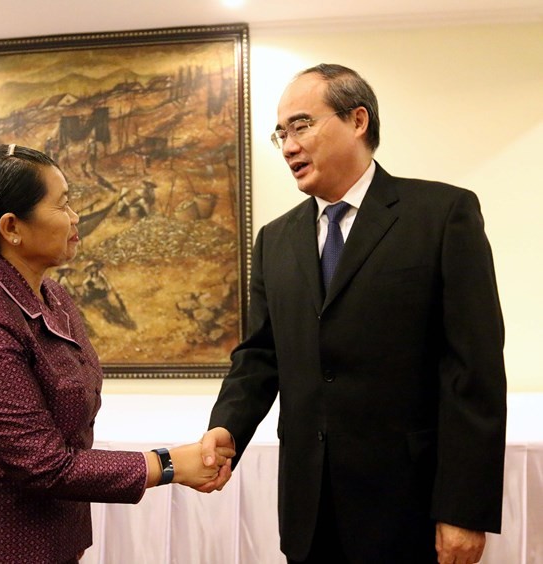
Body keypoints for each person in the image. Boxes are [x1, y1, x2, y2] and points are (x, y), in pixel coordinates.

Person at [199, 64, 507, 564]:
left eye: (300, 125)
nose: (288, 146)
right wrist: (227, 427)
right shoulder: (274, 240)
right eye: (281, 133)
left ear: (357, 119)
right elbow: (259, 355)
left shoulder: (443, 215)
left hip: (410, 510)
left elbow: (473, 373)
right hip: (309, 510)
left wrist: (464, 509)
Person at [0, 144, 233, 564]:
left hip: (51, 541)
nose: (76, 216)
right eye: (62, 205)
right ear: (11, 228)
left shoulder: (52, 295)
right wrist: (168, 464)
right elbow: (43, 465)